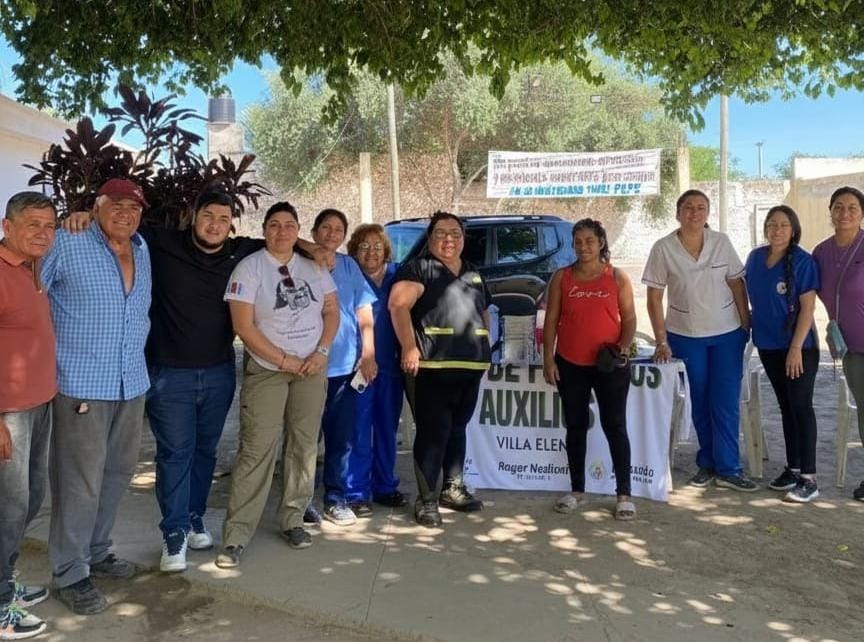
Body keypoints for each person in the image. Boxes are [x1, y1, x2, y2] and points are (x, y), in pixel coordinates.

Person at [63, 190, 266, 572]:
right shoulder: (159, 242)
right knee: (176, 453)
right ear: (193, 215)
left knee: (206, 451)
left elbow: (282, 239)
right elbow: (118, 226)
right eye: (208, 215)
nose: (215, 224)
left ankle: (193, 518)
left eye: (223, 219)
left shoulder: (241, 252)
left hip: (220, 372)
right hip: (168, 375)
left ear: (231, 225)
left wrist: (314, 246)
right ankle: (173, 535)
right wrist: (84, 216)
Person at [40, 178, 152, 615]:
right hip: (82, 384)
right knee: (78, 482)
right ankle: (70, 571)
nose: (126, 214)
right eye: (117, 205)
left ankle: (98, 549)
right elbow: (30, 291)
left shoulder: (142, 249)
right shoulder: (67, 241)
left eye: (134, 208)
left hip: (131, 381)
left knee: (118, 472)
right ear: (96, 206)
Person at [216, 202, 338, 568]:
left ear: (297, 230)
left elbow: (331, 311)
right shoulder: (249, 268)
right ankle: (237, 535)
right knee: (258, 448)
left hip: (312, 367)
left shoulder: (313, 266)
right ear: (264, 229)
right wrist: (284, 360)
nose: (281, 232)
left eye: (289, 225)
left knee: (304, 445)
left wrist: (321, 351)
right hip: (270, 368)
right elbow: (244, 326)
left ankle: (292, 518)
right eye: (274, 225)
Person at [642, 189, 756, 491]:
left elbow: (736, 283)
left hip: (727, 334)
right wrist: (661, 340)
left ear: (708, 213)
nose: (695, 213)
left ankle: (730, 468)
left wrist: (745, 324)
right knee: (701, 400)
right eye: (689, 208)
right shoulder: (663, 248)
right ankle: (707, 463)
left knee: (726, 401)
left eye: (701, 208)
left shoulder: (721, 242)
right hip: (685, 334)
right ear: (678, 213)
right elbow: (654, 298)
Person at [389, 211, 492, 527]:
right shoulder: (418, 269)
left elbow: (483, 312)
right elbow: (397, 305)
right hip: (431, 367)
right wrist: (409, 347)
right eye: (441, 233)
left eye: (456, 233)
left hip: (469, 366)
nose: (449, 239)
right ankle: (427, 500)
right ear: (430, 238)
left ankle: (452, 488)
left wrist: (485, 346)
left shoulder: (473, 272)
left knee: (458, 429)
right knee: (433, 434)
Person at [542, 219, 637, 519]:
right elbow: (551, 320)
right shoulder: (562, 278)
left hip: (608, 366)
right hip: (570, 364)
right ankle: (577, 491)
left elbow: (630, 318)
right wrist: (548, 358)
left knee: (615, 427)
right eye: (578, 241)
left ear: (601, 243)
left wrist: (622, 346)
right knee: (575, 427)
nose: (584, 247)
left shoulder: (617, 277)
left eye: (590, 241)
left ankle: (623, 494)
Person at [0, 192, 57, 639]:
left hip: (38, 405)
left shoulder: (32, 268)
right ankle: (0, 605)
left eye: (49, 225)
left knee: (30, 499)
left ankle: (6, 582)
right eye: (33, 224)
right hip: (10, 413)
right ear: (7, 226)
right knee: (8, 508)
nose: (43, 233)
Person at [745, 206, 820, 502]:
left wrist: (795, 349)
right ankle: (793, 467)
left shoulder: (803, 262)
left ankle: (809, 479)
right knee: (786, 407)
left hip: (799, 349)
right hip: (768, 346)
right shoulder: (754, 258)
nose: (777, 230)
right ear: (765, 228)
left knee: (802, 408)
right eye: (772, 224)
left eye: (784, 225)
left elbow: (808, 309)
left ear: (794, 230)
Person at [310, 209, 377, 525]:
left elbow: (364, 311)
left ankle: (335, 499)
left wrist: (369, 353)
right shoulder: (298, 261)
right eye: (325, 228)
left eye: (338, 230)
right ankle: (301, 502)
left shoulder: (350, 265)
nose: (331, 234)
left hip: (344, 369)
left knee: (341, 439)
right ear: (313, 232)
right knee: (305, 440)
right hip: (307, 367)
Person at [345, 224, 408, 514]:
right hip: (356, 365)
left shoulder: (399, 275)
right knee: (357, 428)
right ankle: (356, 491)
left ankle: (385, 486)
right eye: (364, 246)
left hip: (391, 366)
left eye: (377, 246)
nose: (371, 252)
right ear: (354, 251)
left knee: (386, 427)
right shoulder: (347, 275)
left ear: (386, 250)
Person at [812, 186, 864, 501]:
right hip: (850, 348)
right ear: (830, 212)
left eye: (853, 207)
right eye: (839, 207)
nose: (845, 213)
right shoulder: (821, 252)